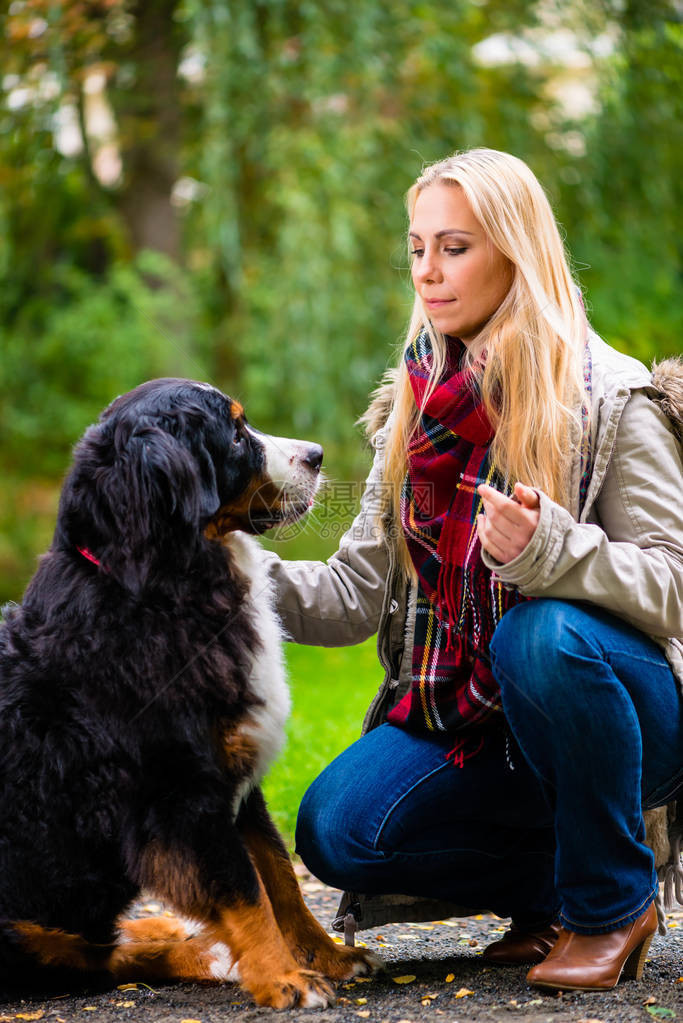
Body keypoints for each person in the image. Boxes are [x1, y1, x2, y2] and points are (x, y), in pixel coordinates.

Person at [261, 148, 683, 992]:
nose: (427, 271)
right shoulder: (414, 406)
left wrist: (549, 552)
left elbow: (672, 583)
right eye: (416, 248)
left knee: (543, 630)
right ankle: (551, 889)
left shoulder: (608, 397)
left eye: (453, 247)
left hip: (626, 713)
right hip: (478, 728)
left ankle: (611, 902)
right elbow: (351, 596)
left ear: (514, 250)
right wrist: (228, 574)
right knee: (339, 830)